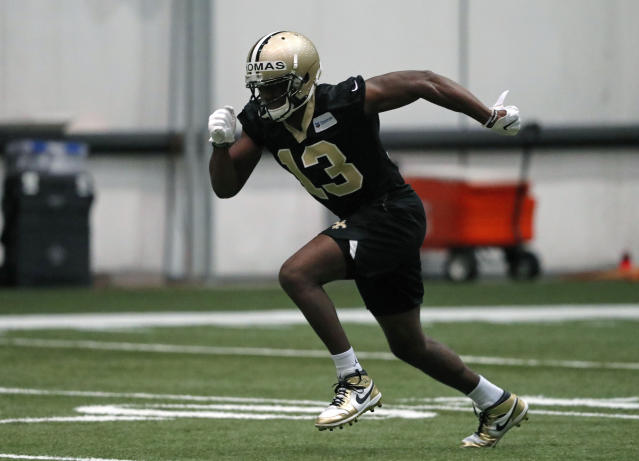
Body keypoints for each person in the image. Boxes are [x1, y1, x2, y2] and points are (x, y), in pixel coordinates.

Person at [208, 31, 528, 448]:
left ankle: (353, 379)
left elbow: (423, 81)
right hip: (365, 220)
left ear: (302, 80)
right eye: (260, 88)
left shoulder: (343, 99)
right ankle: (497, 403)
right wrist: (218, 146)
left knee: (296, 273)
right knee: (409, 345)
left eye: (274, 87)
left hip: (392, 212)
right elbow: (226, 187)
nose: (265, 97)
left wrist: (487, 115)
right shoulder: (263, 121)